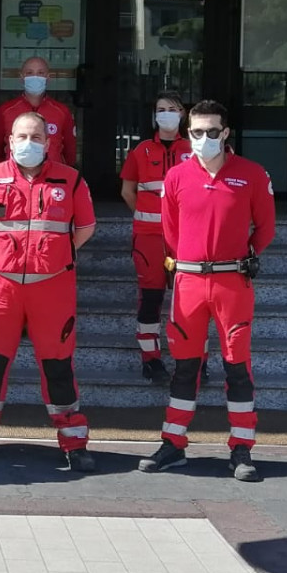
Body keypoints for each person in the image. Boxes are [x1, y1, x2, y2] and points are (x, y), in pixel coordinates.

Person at [137, 100, 276, 483]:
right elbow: (170, 232)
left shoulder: (251, 174)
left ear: (226, 133)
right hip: (189, 282)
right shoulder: (177, 177)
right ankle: (174, 443)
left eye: (211, 132)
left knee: (237, 366)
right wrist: (190, 262)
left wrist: (243, 256)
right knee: (184, 366)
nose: (203, 139)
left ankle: (241, 447)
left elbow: (265, 228)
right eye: (196, 132)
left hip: (233, 281)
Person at [0, 112, 98, 472]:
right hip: (0, 288)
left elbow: (83, 229)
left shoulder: (72, 180)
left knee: (58, 366)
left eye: (36, 137)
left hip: (53, 289)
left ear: (49, 142)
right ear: (9, 141)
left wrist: (51, 259)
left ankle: (73, 442)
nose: (28, 143)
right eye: (21, 136)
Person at [118, 92, 193, 384]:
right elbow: (128, 192)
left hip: (187, 240)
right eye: (160, 109)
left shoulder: (194, 149)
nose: (166, 114)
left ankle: (195, 363)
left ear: (183, 113)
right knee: (151, 299)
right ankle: (151, 360)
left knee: (190, 303)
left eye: (172, 109)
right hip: (148, 239)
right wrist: (150, 215)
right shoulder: (141, 151)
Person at [0, 56, 78, 169]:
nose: (35, 77)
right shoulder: (5, 111)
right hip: (14, 180)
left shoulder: (62, 112)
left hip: (52, 180)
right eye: (29, 72)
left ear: (48, 78)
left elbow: (70, 155)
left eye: (40, 73)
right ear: (22, 78)